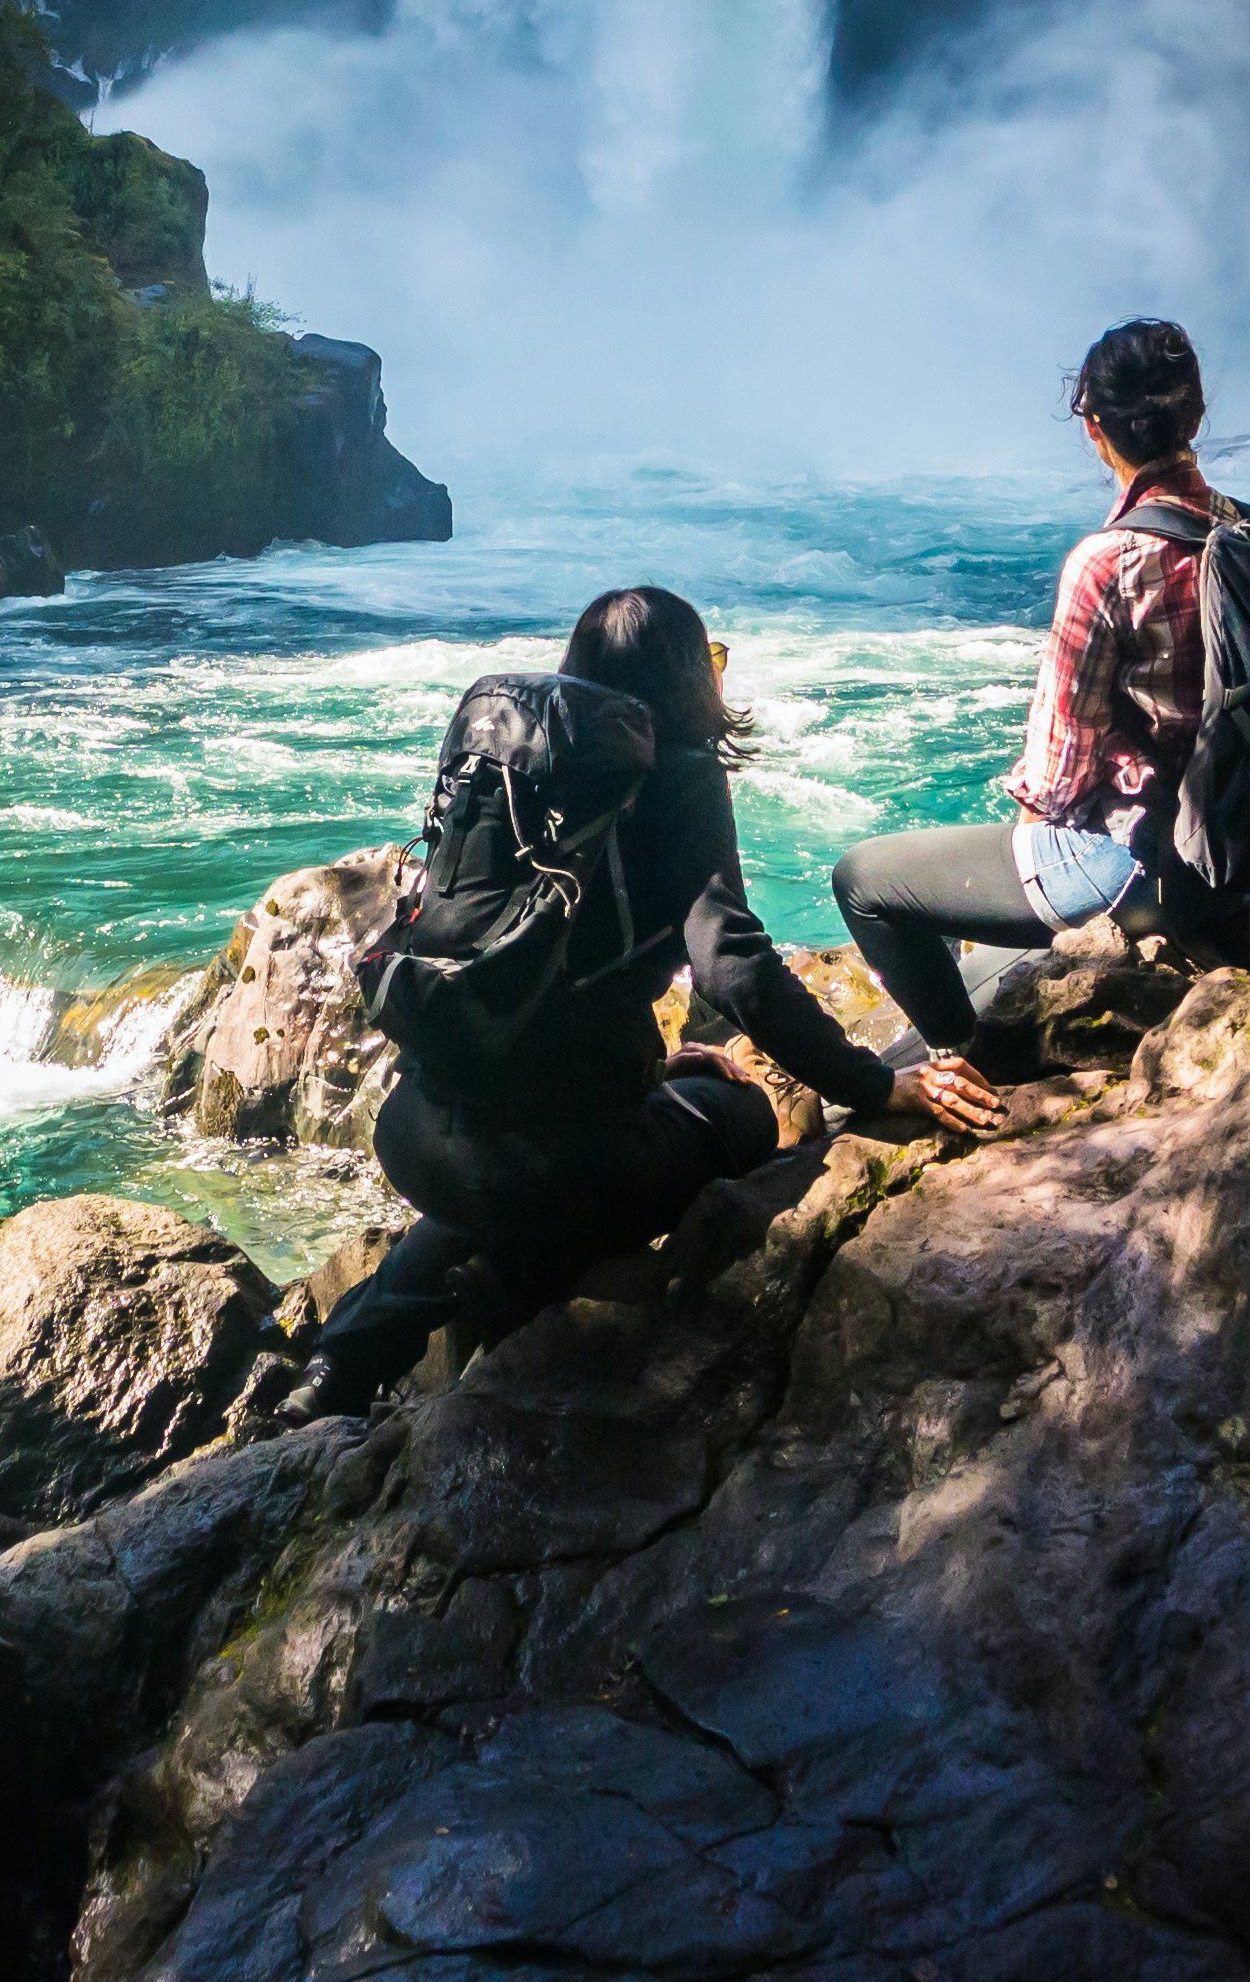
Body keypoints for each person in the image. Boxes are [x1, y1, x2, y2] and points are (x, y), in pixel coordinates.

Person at [284, 584, 1003, 1421]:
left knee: (508, 1174)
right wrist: (876, 1088)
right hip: (554, 1167)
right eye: (715, 663)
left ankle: (335, 1366)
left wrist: (650, 1066)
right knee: (742, 1120)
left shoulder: (523, 776)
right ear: (693, 682)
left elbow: (529, 984)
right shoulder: (681, 776)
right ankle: (507, 1296)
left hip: (415, 1135)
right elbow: (732, 968)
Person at [831, 316, 1234, 1070]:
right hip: (1236, 856)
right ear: (1197, 417)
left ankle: (963, 1061)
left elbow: (1056, 780)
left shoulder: (1108, 562)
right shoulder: (1244, 537)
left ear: (1093, 427)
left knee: (865, 880)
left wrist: (1010, 864)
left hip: (1143, 869)